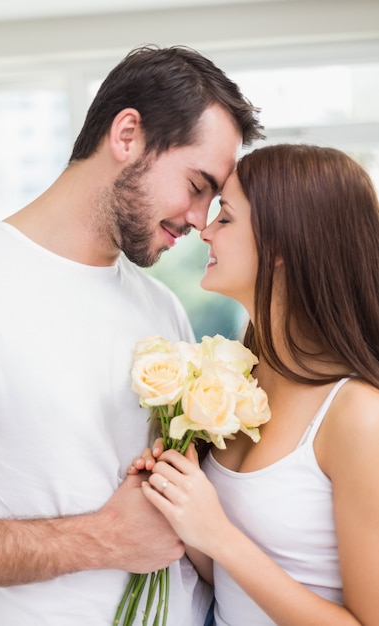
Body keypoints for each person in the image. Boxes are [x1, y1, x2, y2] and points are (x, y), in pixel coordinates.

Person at [0, 45, 263, 625]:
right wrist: (100, 539)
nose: (201, 220)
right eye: (197, 184)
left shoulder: (161, 306)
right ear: (127, 135)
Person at [133, 144, 379, 625]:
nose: (203, 231)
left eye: (224, 218)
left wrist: (218, 531)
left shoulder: (357, 416)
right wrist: (176, 497)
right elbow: (227, 580)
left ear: (283, 245)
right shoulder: (241, 383)